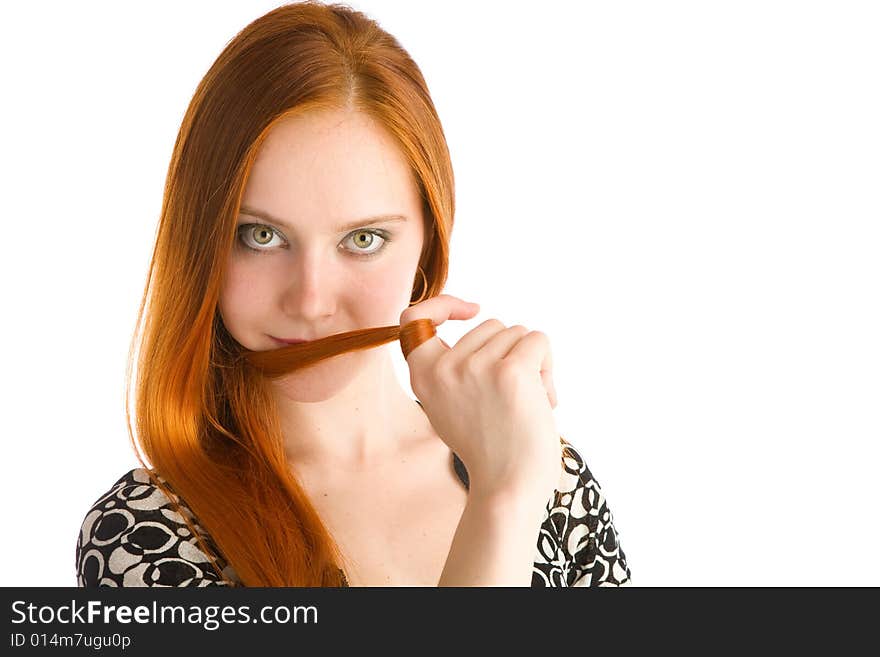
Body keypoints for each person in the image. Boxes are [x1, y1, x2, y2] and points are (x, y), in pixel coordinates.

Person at [75, 0, 631, 587]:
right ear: (200, 239)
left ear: (428, 246)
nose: (311, 301)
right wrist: (500, 502)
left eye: (363, 239)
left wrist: (514, 483)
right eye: (260, 236)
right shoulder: (145, 531)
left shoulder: (551, 479)